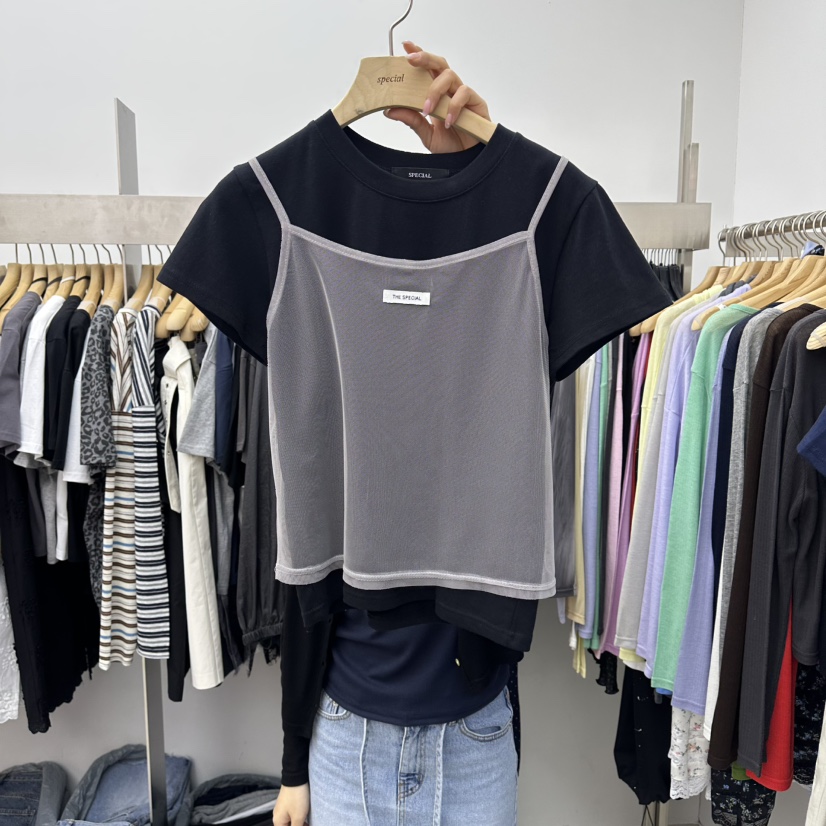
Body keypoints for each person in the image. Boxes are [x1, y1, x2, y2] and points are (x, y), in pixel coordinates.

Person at [272, 41, 522, 826]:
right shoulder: (309, 286)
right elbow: (302, 559)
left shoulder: (500, 303)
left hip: (476, 731)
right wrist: (293, 766)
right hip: (346, 733)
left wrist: (482, 169)